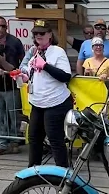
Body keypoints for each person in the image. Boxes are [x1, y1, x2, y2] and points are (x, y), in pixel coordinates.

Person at [19, 20, 73, 167]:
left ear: (50, 34)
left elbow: (65, 76)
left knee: (55, 139)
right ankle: (32, 172)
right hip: (38, 102)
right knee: (34, 137)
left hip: (55, 102)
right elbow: (33, 73)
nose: (38, 36)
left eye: (42, 33)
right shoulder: (34, 51)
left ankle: (63, 174)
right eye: (35, 33)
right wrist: (24, 77)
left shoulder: (57, 51)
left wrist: (45, 66)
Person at [0, 16, 25, 155]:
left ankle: (14, 141)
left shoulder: (15, 41)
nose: (0, 28)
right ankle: (2, 142)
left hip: (11, 85)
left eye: (3, 26)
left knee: (13, 114)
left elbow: (23, 60)